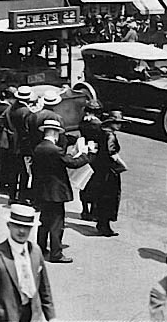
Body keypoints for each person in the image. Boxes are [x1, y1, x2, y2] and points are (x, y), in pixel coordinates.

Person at [32, 118, 94, 263]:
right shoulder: (56, 150)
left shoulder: (39, 147)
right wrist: (87, 155)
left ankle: (40, 248)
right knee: (57, 224)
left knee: (44, 221)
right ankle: (56, 253)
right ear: (55, 133)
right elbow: (73, 163)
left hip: (43, 190)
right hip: (56, 192)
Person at [0, 204, 56, 322]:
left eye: (26, 227)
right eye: (17, 226)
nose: (21, 231)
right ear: (8, 225)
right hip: (7, 316)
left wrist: (51, 317)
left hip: (32, 315)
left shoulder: (35, 251)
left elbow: (44, 288)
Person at [88, 110, 128, 237]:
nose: (119, 125)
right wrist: (122, 164)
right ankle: (105, 225)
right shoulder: (110, 136)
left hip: (100, 168)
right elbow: (112, 153)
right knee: (109, 198)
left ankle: (100, 222)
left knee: (101, 196)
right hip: (109, 171)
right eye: (117, 123)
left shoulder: (101, 132)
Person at [6, 86, 35, 202]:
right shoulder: (26, 111)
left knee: (13, 171)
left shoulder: (12, 108)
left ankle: (12, 196)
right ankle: (22, 197)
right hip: (23, 145)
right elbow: (28, 129)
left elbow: (2, 120)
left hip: (12, 142)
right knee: (24, 172)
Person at [78, 99, 104, 221]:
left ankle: (84, 210)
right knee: (96, 183)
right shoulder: (98, 125)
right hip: (96, 156)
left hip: (85, 152)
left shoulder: (83, 123)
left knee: (84, 183)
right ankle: (93, 210)